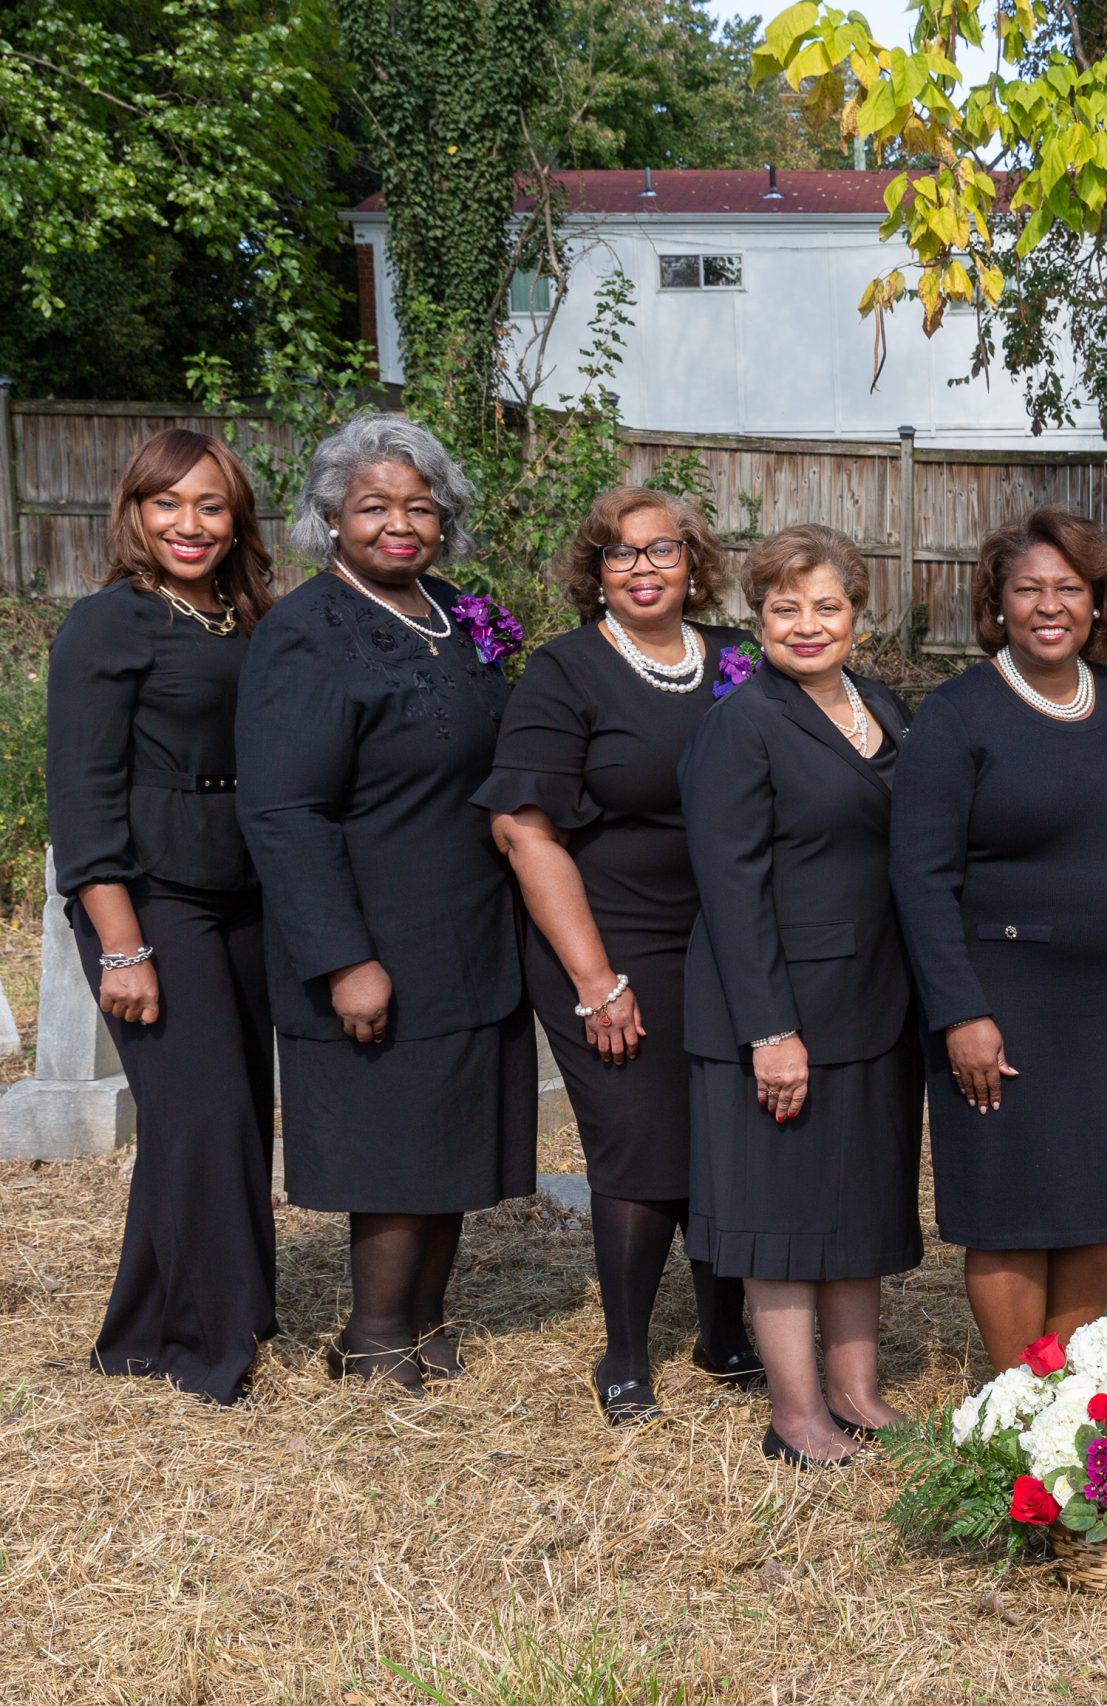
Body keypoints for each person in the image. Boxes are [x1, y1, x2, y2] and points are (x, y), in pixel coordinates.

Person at [235, 413, 535, 1391]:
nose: (400, 524)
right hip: (375, 934)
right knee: (398, 1143)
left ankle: (421, 1323)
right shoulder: (304, 633)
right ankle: (372, 1339)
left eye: (421, 506)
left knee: (448, 1136)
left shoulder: (459, 611)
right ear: (332, 517)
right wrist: (343, 958)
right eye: (374, 506)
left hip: (468, 929)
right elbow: (283, 811)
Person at [890, 506, 1107, 1369]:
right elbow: (920, 879)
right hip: (1004, 1002)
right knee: (1013, 1207)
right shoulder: (956, 716)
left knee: (1101, 1199)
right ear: (998, 604)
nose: (1050, 605)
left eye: (1069, 587)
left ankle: (1069, 1397)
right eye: (1028, 589)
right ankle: (1017, 1395)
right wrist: (959, 1013)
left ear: (1098, 601)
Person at [475, 486, 759, 1424]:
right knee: (639, 1143)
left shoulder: (739, 660)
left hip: (724, 941)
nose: (643, 568)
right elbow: (524, 833)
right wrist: (597, 983)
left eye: (662, 549)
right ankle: (627, 1354)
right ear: (595, 571)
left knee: (724, 1136)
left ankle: (725, 1334)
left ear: (694, 562)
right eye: (620, 553)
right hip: (607, 944)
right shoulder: (565, 671)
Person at [680, 524, 920, 1467]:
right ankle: (796, 1413)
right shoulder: (740, 725)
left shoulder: (884, 706)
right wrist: (770, 1030)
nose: (808, 625)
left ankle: (857, 1392)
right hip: (776, 1008)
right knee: (778, 1215)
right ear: (758, 617)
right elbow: (731, 889)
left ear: (858, 614)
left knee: (857, 1204)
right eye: (786, 609)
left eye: (827, 606)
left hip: (872, 1001)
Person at [47, 429, 278, 1405]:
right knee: (203, 1112)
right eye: (167, 502)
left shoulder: (250, 618)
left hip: (246, 892)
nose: (190, 523)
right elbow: (81, 796)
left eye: (210, 504)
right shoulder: (108, 623)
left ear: (237, 518)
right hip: (149, 896)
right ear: (135, 511)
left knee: (228, 1113)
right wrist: (121, 944)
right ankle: (205, 1347)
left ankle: (146, 1329)